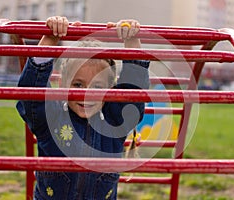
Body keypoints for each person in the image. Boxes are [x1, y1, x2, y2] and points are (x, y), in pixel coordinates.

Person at [16, 16, 150, 200]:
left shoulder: (115, 122)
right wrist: (51, 38)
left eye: (97, 87)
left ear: (111, 89)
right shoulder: (52, 118)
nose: (86, 94)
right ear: (63, 84)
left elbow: (133, 94)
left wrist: (132, 41)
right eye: (78, 84)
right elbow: (31, 95)